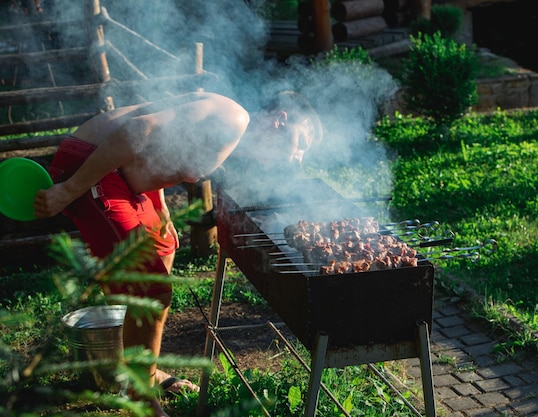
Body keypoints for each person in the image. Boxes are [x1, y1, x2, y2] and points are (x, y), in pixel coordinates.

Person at [33, 91, 322, 417]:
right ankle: (139, 395)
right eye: (301, 144)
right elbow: (136, 131)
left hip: (123, 176)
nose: (298, 158)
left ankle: (147, 370)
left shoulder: (234, 134)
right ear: (281, 120)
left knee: (164, 248)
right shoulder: (233, 118)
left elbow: (159, 149)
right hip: (92, 164)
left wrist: (163, 209)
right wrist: (69, 190)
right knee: (152, 287)